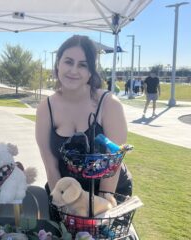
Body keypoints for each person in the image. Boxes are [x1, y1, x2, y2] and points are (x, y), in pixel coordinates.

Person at [35, 35, 132, 219]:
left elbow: (115, 162)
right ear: (58, 64)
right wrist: (65, 207)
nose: (73, 70)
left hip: (107, 193)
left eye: (82, 64)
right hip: (64, 192)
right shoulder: (45, 108)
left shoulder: (109, 104)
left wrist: (100, 208)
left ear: (90, 72)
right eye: (68, 62)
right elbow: (50, 165)